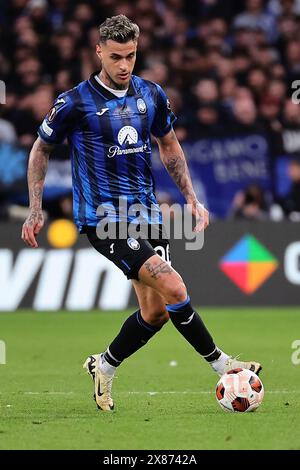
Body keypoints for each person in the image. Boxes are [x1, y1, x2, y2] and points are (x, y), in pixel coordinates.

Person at [21, 15, 261, 411]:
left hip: (147, 216)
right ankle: (224, 366)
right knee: (175, 288)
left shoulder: (150, 94)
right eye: (115, 57)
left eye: (130, 56)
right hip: (104, 219)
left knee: (155, 313)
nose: (123, 65)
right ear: (98, 51)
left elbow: (169, 145)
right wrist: (35, 208)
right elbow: (40, 150)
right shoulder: (74, 102)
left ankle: (104, 365)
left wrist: (191, 198)